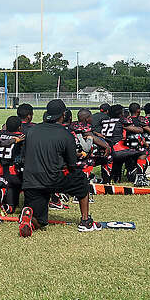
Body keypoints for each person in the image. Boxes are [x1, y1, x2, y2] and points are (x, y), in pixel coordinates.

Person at [17, 99, 100, 236]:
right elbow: (72, 164)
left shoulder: (32, 131)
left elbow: (24, 156)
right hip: (53, 178)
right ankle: (85, 221)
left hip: (31, 180)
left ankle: (28, 219)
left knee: (41, 221)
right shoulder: (65, 134)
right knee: (81, 179)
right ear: (63, 115)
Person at [0, 115, 25, 213]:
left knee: (7, 187)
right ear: (19, 127)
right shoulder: (21, 136)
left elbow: (2, 133)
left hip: (2, 171)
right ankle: (10, 206)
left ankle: (4, 203)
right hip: (15, 172)